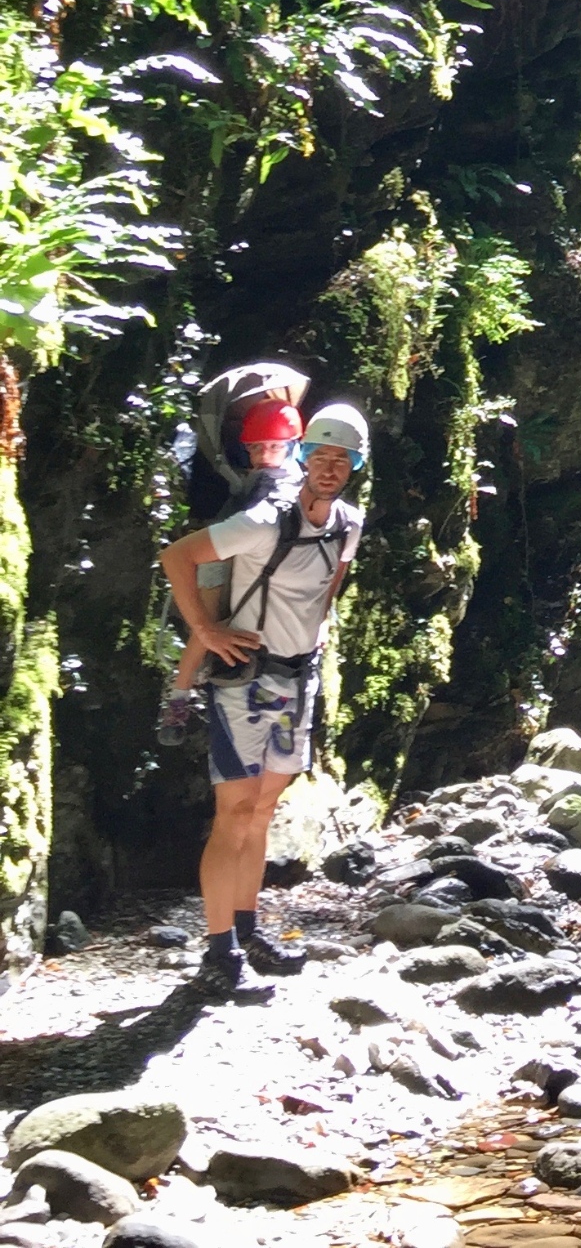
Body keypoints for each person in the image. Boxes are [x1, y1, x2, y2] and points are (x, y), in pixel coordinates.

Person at [158, 401, 369, 994]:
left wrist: (315, 637)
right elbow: (178, 556)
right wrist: (207, 632)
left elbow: (329, 588)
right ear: (302, 456)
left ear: (355, 465)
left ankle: (246, 932)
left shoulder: (347, 523)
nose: (329, 468)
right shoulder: (262, 519)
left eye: (341, 459)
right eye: (320, 456)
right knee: (235, 815)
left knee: (263, 812)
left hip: (297, 680)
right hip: (244, 681)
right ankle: (219, 955)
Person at [157, 397, 304, 747]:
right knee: (207, 619)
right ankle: (179, 696)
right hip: (223, 554)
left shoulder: (292, 482)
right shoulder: (255, 482)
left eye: (273, 446)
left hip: (257, 561)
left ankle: (190, 687)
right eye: (257, 448)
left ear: (292, 446)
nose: (265, 455)